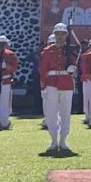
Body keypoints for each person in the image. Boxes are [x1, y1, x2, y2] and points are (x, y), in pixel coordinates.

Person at [39, 23, 79, 151]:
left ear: (66, 36)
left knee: (65, 113)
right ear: (54, 35)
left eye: (63, 34)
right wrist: (43, 85)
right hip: (51, 83)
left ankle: (63, 140)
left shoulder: (71, 50)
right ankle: (53, 140)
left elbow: (76, 68)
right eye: (58, 34)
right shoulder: (47, 51)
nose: (60, 36)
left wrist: (73, 69)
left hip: (66, 83)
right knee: (51, 113)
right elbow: (42, 69)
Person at [0, 35, 19, 129]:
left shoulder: (11, 54)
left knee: (5, 101)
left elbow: (15, 67)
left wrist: (7, 66)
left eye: (3, 43)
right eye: (0, 43)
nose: (2, 45)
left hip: (6, 80)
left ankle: (4, 121)